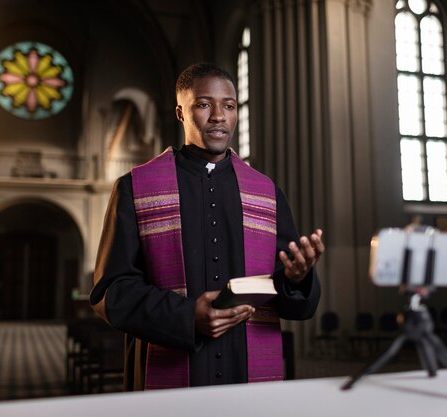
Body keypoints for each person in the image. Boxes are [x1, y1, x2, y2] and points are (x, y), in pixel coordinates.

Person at [90, 62, 324, 390]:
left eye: (228, 105)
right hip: (168, 362)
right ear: (180, 113)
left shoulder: (267, 193)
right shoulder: (135, 187)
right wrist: (187, 318)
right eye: (203, 104)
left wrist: (297, 279)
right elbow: (110, 292)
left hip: (245, 371)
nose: (218, 116)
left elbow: (292, 304)